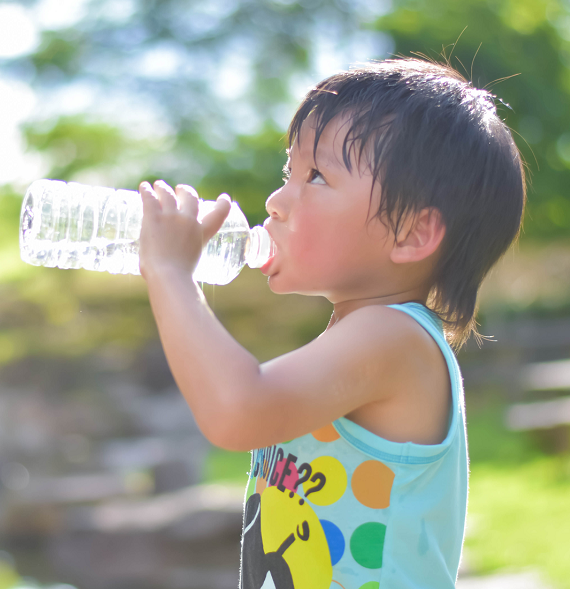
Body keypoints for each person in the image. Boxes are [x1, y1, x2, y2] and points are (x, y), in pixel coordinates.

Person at [136, 58, 526, 589]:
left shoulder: (393, 339)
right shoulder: (356, 337)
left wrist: (170, 273)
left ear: (412, 234)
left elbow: (239, 410)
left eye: (316, 176)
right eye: (287, 173)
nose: (276, 201)